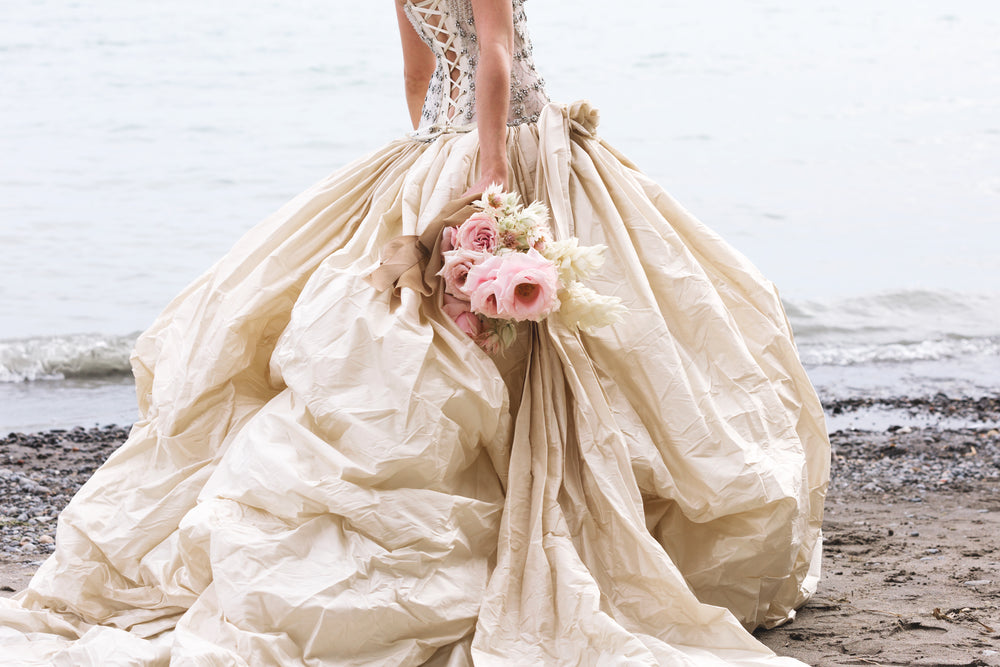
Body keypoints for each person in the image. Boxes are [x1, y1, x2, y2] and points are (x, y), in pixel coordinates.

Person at [0, 0, 829, 664]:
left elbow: (419, 72)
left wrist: (430, 158)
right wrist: (494, 165)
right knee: (553, 340)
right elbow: (496, 48)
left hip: (433, 143)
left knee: (435, 348)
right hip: (505, 143)